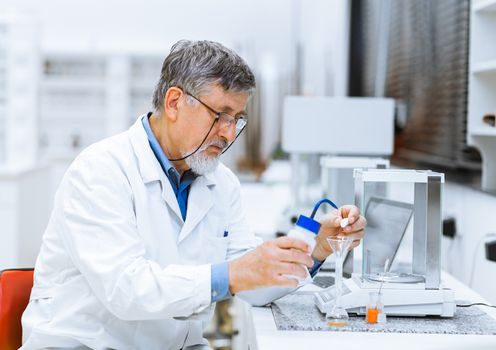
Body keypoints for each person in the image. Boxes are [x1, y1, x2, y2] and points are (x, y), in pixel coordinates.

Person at [21, 40, 366, 349]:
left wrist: (318, 247)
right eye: (220, 115)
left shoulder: (221, 183)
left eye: (238, 119)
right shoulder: (100, 170)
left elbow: (254, 285)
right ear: (174, 102)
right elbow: (126, 290)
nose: (229, 133)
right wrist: (231, 274)